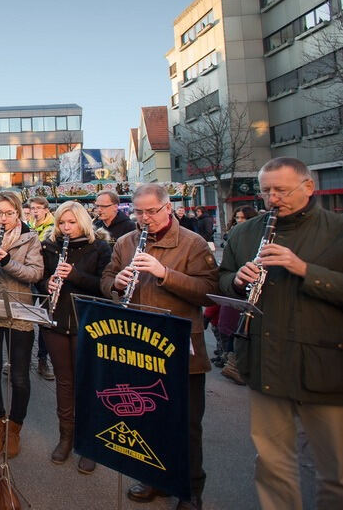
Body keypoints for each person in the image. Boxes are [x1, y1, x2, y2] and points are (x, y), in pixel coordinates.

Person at [219, 157, 343, 510]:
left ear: (309, 187)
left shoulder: (337, 229)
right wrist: (236, 280)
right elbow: (222, 279)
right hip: (265, 362)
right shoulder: (245, 232)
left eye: (282, 190)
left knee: (336, 470)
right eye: (266, 191)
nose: (273, 198)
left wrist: (303, 268)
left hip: (324, 366)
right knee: (273, 465)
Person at [101, 183, 217, 510]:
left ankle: (190, 489)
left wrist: (165, 273)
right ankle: (153, 477)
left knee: (186, 424)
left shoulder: (192, 242)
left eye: (151, 211)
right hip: (139, 344)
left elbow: (209, 291)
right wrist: (116, 283)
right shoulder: (125, 241)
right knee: (147, 417)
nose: (144, 218)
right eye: (138, 212)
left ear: (167, 208)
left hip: (180, 347)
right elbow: (106, 278)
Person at [40, 201, 111, 474]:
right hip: (56, 322)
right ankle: (66, 437)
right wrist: (46, 283)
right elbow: (39, 278)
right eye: (62, 223)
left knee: (86, 383)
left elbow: (105, 286)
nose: (66, 228)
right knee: (64, 382)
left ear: (83, 222)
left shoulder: (100, 248)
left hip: (87, 323)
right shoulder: (50, 247)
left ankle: (89, 442)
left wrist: (76, 275)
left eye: (71, 222)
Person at [0, 192, 43, 458]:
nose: (3, 219)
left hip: (19, 309)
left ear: (18, 213)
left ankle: (14, 427)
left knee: (19, 376)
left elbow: (35, 273)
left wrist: (7, 262)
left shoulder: (30, 238)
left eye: (9, 213)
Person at [215, 205, 258, 385]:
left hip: (251, 291)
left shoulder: (256, 233)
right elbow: (224, 272)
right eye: (237, 217)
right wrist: (234, 279)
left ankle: (233, 362)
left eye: (243, 218)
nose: (240, 221)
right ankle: (231, 361)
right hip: (237, 291)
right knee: (230, 326)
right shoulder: (235, 234)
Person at [27, 196, 55, 381]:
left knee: (45, 320)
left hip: (45, 277)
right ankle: (20, 358)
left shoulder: (53, 226)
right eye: (32, 208)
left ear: (46, 209)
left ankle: (43, 360)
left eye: (38, 208)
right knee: (24, 317)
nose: (35, 211)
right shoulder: (28, 225)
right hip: (30, 276)